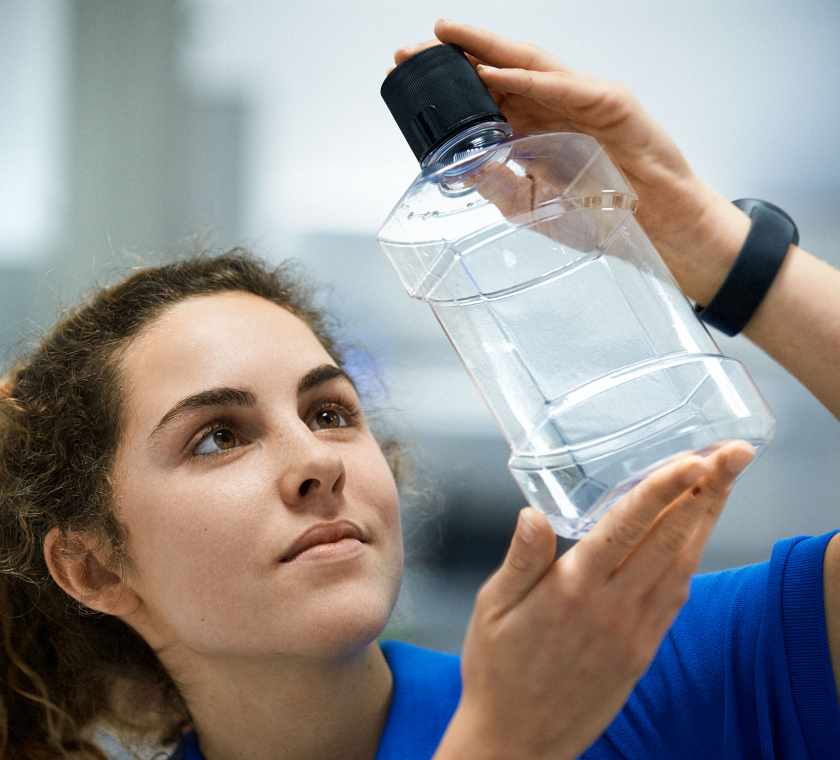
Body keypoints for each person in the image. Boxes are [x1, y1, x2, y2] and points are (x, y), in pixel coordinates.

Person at [0, 19, 834, 760]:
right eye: (218, 436)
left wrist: (709, 244)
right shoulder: (542, 717)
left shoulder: (647, 670)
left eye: (330, 412)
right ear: (95, 566)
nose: (316, 463)